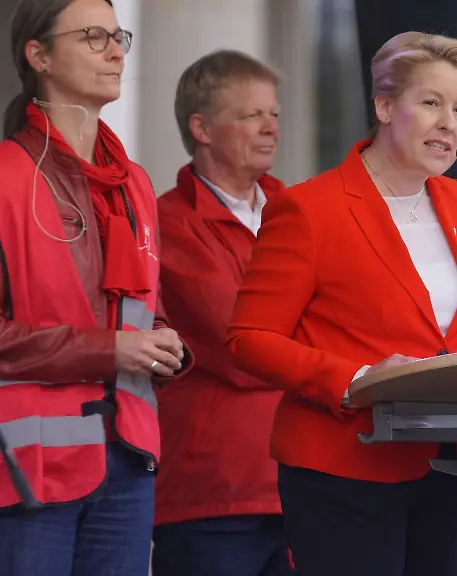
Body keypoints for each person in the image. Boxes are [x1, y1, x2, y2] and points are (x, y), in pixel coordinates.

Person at [0, 0, 191, 574]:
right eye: (93, 36)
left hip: (126, 458)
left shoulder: (135, 184)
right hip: (25, 472)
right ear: (39, 55)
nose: (117, 50)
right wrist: (109, 349)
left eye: (118, 35)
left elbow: (146, 314)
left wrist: (168, 345)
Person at [226, 31, 457, 576]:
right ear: (385, 105)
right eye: (431, 103)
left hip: (445, 463)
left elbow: (446, 331)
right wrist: (360, 380)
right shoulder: (309, 209)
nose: (449, 124)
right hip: (345, 465)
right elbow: (249, 339)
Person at [151, 50, 292, 576]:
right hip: (213, 492)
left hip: (304, 482)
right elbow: (243, 345)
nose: (270, 128)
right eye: (252, 115)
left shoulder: (298, 212)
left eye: (274, 115)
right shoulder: (168, 223)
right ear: (202, 128)